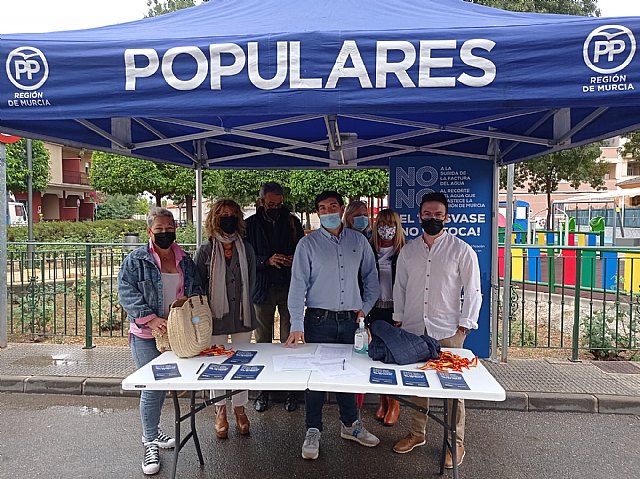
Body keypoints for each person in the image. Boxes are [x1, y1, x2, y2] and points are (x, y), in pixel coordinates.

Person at [286, 191, 380, 460]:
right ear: (318, 213)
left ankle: (350, 424)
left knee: (348, 376)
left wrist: (365, 308)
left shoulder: (358, 241)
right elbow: (298, 285)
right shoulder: (308, 244)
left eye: (333, 206)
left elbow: (371, 278)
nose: (328, 211)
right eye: (322, 208)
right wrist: (296, 324)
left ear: (341, 209)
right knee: (314, 379)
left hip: (351, 321)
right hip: (318, 321)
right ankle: (313, 429)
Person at [391, 192, 481, 469]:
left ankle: (456, 441)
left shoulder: (461, 250)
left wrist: (466, 323)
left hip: (448, 331)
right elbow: (400, 288)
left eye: (438, 214)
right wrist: (398, 318)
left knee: (453, 390)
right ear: (419, 216)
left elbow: (473, 290)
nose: (432, 218)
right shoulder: (408, 251)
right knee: (418, 385)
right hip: (415, 329)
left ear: (446, 217)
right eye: (427, 214)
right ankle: (417, 433)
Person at [118, 207, 203, 475]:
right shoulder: (135, 260)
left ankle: (154, 431)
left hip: (178, 334)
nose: (165, 233)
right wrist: (151, 319)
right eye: (159, 229)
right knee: (152, 387)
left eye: (169, 228)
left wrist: (190, 311)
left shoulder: (185, 260)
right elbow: (126, 293)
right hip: (146, 335)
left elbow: (196, 291)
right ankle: (149, 441)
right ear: (149, 231)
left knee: (169, 385)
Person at [194, 199, 257, 440]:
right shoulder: (205, 250)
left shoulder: (246, 248)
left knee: (241, 364)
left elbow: (251, 281)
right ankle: (220, 409)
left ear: (238, 218)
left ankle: (239, 408)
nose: (227, 218)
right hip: (214, 316)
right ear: (214, 219)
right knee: (216, 364)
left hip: (242, 314)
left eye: (231, 214)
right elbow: (199, 285)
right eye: (222, 214)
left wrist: (244, 304)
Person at [246, 182, 305, 413]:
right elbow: (246, 257)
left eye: (279, 204)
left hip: (290, 287)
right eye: (271, 204)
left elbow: (302, 250)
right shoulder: (249, 224)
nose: (275, 208)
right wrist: (266, 260)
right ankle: (263, 390)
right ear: (261, 201)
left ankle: (291, 390)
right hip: (263, 289)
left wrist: (292, 259)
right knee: (263, 342)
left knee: (290, 341)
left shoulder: (292, 222)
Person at [368, 208, 405, 427]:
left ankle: (395, 402)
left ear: (397, 227)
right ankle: (382, 399)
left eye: (390, 224)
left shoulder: (403, 251)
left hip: (395, 310)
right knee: (377, 355)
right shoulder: (369, 249)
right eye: (382, 224)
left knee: (394, 357)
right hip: (375, 310)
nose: (386, 229)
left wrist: (403, 312)